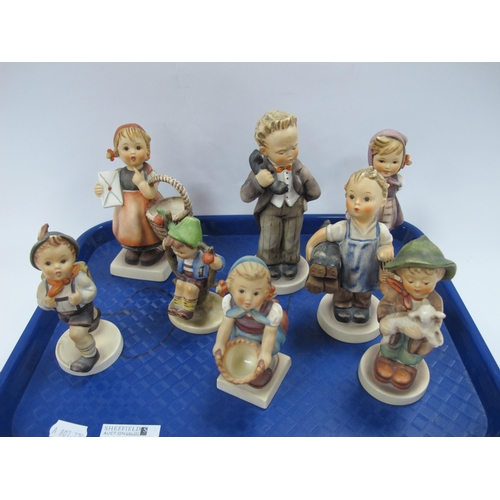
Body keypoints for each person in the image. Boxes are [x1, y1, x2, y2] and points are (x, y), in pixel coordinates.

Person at [305, 167, 394, 324]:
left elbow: (388, 245)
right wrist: (310, 246)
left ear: (382, 201)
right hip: (346, 274)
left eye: (366, 199)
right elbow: (325, 233)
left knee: (364, 295)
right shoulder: (343, 227)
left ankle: (362, 306)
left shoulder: (381, 230)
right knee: (343, 292)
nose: (356, 203)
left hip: (367, 275)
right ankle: (341, 305)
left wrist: (386, 250)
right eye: (352, 196)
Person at [240, 110, 321, 280]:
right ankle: (270, 262)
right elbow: (245, 195)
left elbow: (315, 192)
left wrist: (305, 191)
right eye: (282, 152)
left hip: (295, 208)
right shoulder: (261, 171)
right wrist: (258, 182)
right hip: (271, 209)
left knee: (292, 237)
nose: (290, 154)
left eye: (294, 147)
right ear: (264, 151)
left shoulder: (299, 169)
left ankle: (290, 261)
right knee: (270, 238)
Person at [374, 236, 456, 390]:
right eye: (411, 281)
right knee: (390, 347)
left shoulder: (435, 300)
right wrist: (391, 319)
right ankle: (387, 359)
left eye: (425, 282)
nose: (417, 286)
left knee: (410, 353)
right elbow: (384, 306)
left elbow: (435, 323)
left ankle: (407, 366)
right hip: (395, 332)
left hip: (417, 338)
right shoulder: (395, 293)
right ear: (401, 275)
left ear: (438, 276)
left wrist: (421, 333)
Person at [30, 224, 101, 373]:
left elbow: (92, 290)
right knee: (78, 326)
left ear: (73, 257)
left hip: (82, 311)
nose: (57, 267)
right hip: (64, 314)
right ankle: (94, 317)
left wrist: (81, 297)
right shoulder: (44, 286)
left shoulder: (78, 277)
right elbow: (40, 301)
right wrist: (46, 302)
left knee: (76, 334)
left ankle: (90, 355)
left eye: (63, 261)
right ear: (38, 265)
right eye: (48, 263)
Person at [94, 123, 164, 266]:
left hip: (146, 208)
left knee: (148, 231)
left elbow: (151, 194)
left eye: (138, 147)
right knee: (129, 230)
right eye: (126, 148)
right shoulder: (118, 174)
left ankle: (152, 249)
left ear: (147, 152)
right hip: (126, 211)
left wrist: (141, 183)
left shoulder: (150, 173)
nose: (132, 153)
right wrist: (100, 190)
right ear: (117, 152)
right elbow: (110, 189)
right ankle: (133, 248)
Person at [213, 256, 288, 388]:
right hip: (238, 336)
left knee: (261, 365)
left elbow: (269, 335)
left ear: (266, 292)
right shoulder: (230, 304)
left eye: (256, 293)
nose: (248, 299)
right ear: (231, 287)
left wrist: (265, 354)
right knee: (229, 358)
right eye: (242, 291)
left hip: (260, 339)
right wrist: (219, 344)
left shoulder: (270, 312)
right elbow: (225, 325)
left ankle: (264, 369)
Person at [164, 216, 224, 320]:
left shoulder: (201, 256)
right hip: (184, 276)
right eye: (175, 250)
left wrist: (214, 261)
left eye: (181, 252)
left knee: (190, 289)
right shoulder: (184, 258)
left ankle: (187, 309)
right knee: (179, 284)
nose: (177, 253)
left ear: (195, 248)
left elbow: (220, 263)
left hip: (198, 280)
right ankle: (177, 305)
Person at [368, 129, 412, 231]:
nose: (388, 167)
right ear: (371, 158)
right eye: (382, 161)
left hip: (390, 205)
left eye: (395, 162)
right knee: (370, 226)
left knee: (387, 227)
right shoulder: (370, 177)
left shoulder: (397, 179)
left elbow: (400, 186)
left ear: (403, 161)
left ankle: (386, 239)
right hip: (373, 206)